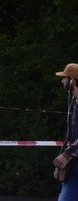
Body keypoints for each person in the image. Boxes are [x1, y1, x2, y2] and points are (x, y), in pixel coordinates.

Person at [53, 63, 78, 201]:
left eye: (65, 78)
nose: (62, 81)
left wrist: (66, 154)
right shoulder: (75, 102)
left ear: (73, 81)